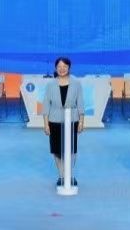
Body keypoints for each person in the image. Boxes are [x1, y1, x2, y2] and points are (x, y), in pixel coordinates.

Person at [40, 57, 85, 187]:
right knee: (57, 151)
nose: (62, 69)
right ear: (56, 68)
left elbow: (80, 103)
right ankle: (61, 175)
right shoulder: (50, 84)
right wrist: (46, 124)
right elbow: (46, 105)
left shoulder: (76, 83)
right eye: (59, 66)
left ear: (69, 68)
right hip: (54, 121)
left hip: (72, 121)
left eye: (65, 66)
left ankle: (69, 175)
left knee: (71, 150)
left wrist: (81, 122)